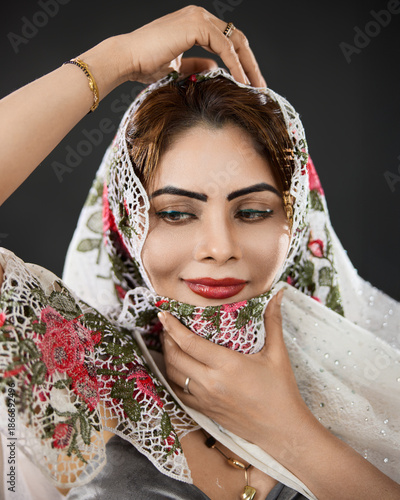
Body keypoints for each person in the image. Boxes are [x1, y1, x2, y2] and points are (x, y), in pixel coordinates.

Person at [0, 6, 399, 500]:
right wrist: (115, 58)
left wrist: (289, 433)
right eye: (174, 213)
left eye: (252, 212)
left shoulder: (373, 378)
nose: (219, 248)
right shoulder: (69, 367)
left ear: (294, 224)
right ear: (127, 221)